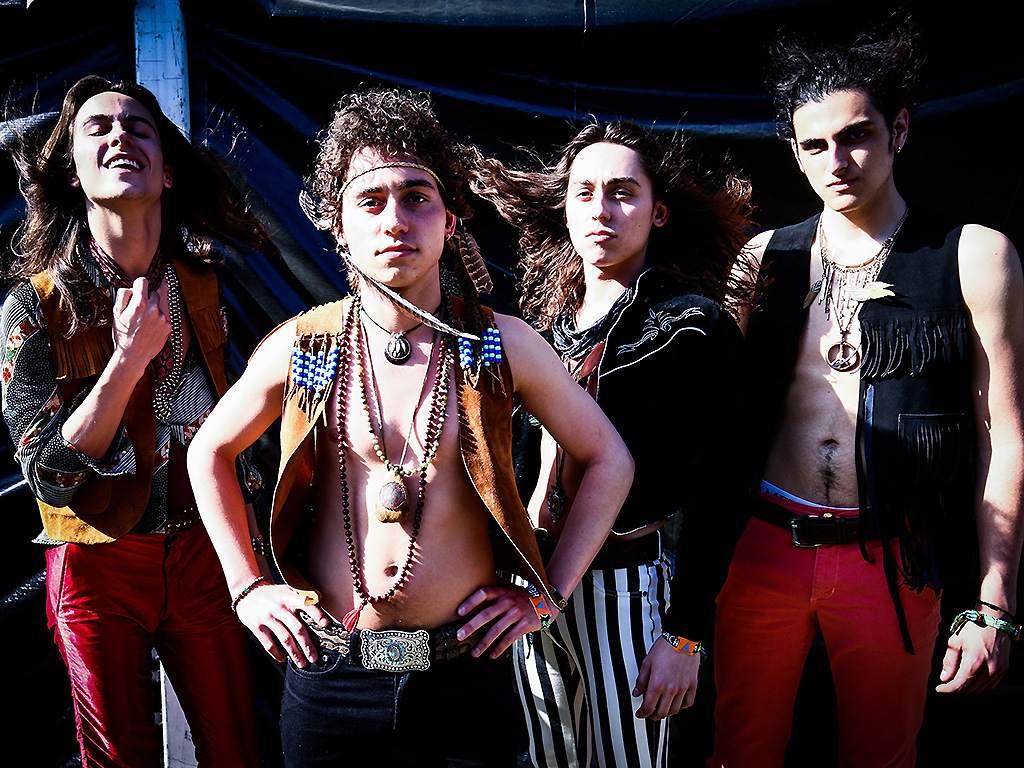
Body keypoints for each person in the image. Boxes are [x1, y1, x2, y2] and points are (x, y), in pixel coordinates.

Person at [186, 88, 633, 767]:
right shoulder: (307, 346)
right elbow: (208, 452)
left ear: (452, 219)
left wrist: (547, 594)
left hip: (465, 675)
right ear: (336, 224)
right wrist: (247, 588)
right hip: (331, 671)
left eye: (417, 196)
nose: (395, 217)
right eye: (371, 200)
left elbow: (609, 460)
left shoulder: (498, 344)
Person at [709, 15, 1024, 768]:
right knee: (738, 752)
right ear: (793, 149)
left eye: (856, 136)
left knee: (882, 756)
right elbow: (710, 418)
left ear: (900, 131)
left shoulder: (973, 255)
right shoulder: (764, 259)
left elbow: (1002, 435)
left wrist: (995, 604)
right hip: (762, 545)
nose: (836, 160)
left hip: (893, 554)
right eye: (813, 144)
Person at [1, 75, 279, 766]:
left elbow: (240, 415)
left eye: (138, 127)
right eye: (98, 129)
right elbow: (49, 477)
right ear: (71, 174)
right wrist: (127, 362)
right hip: (98, 560)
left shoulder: (208, 283)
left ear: (168, 168)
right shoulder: (31, 310)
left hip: (205, 550)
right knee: (115, 758)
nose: (120, 135)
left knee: (237, 749)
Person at [471, 120, 753, 768]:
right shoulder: (539, 330)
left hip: (624, 584)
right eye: (585, 192)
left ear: (658, 212)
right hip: (527, 579)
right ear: (564, 208)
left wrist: (684, 635)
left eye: (624, 192)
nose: (602, 209)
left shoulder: (691, 326)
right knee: (544, 759)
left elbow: (721, 492)